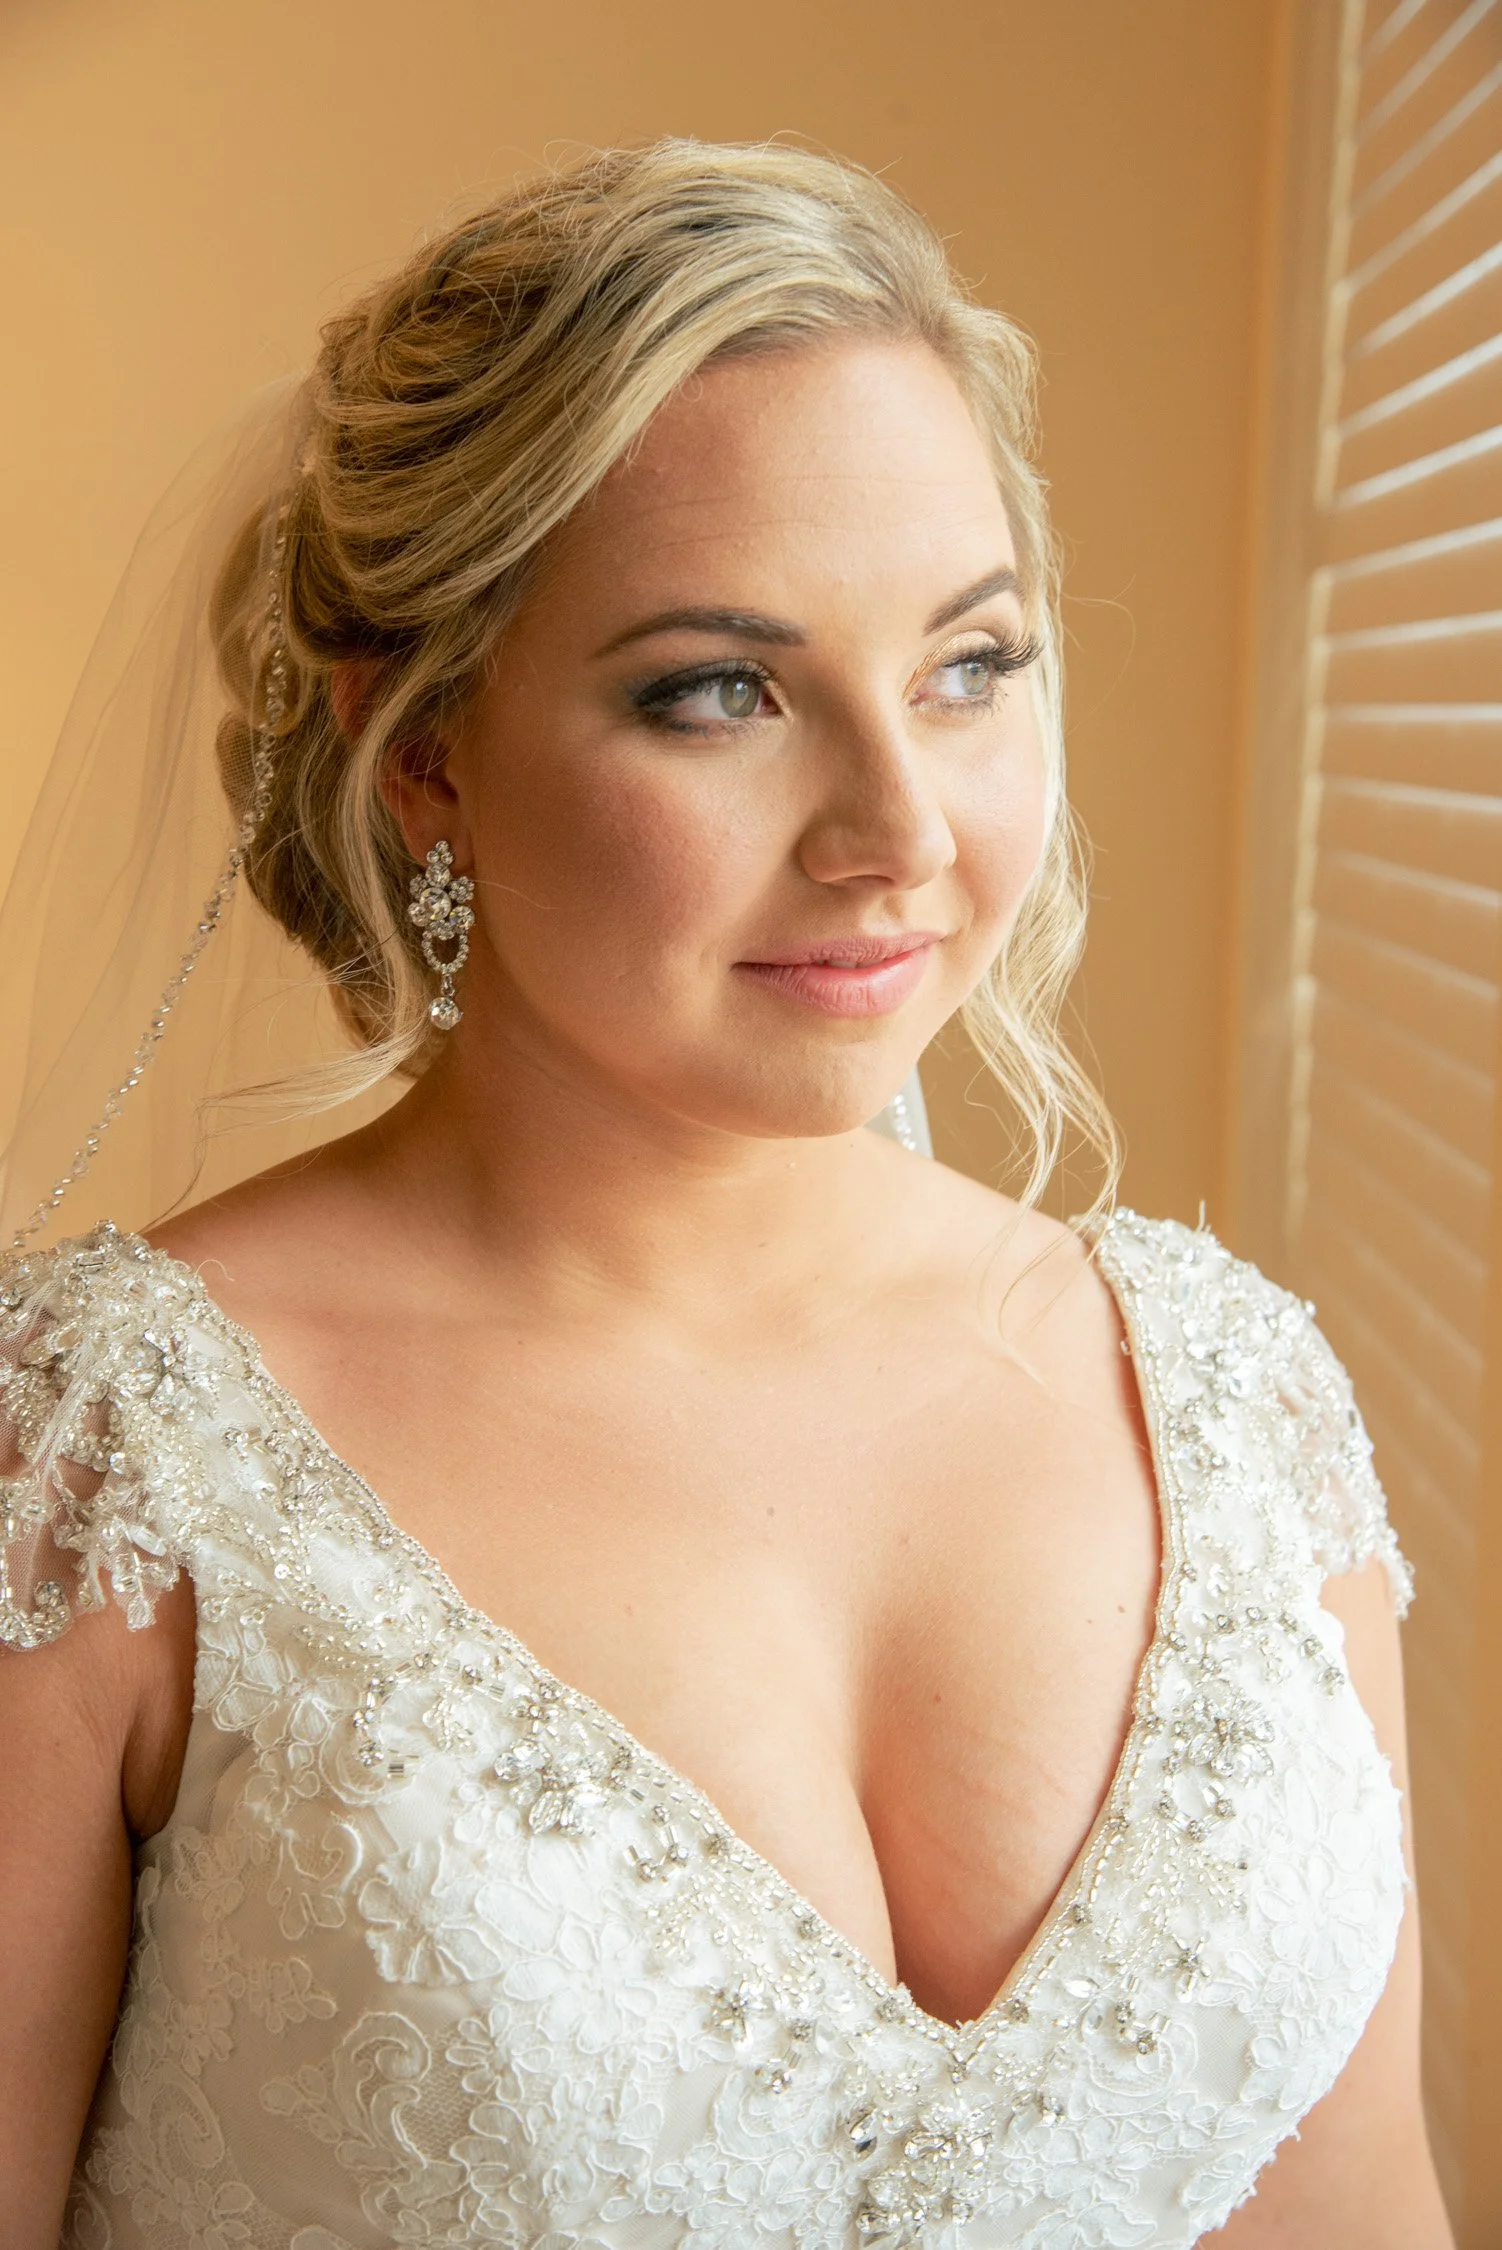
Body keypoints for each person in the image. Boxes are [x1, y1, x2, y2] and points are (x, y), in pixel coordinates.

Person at [0, 141, 1452, 2248]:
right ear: (421, 749)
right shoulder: (98, 1461)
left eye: (970, 663)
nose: (897, 830)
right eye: (719, 691)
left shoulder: (1235, 1405)